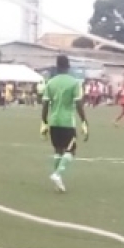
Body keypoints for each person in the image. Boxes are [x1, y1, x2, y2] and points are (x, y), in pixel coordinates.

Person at [40, 55, 88, 193]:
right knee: (71, 151)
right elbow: (79, 104)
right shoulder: (74, 83)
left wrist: (44, 121)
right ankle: (57, 174)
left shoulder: (50, 82)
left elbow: (45, 104)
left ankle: (57, 183)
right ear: (68, 66)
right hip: (67, 122)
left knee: (58, 150)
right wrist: (84, 121)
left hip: (53, 122)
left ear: (57, 66)